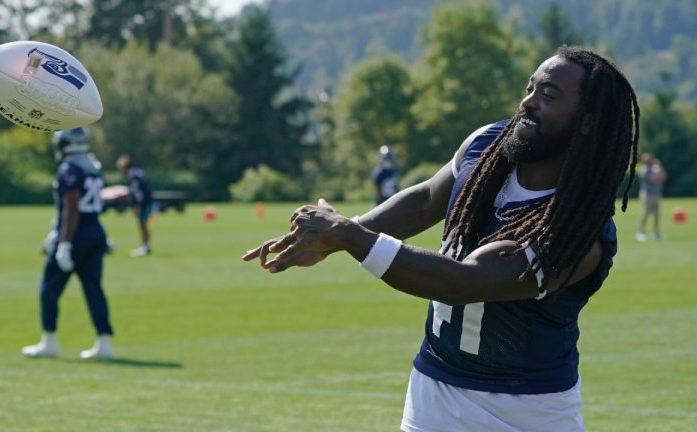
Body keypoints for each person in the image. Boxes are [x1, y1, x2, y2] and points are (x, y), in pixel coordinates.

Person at [243, 46, 640, 431]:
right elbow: (425, 200)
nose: (529, 102)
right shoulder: (488, 145)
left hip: (525, 413)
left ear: (588, 121)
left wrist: (349, 235)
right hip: (432, 396)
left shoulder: (577, 233)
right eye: (530, 88)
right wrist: (340, 234)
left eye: (549, 95)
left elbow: (461, 283)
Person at [23, 127, 114, 360]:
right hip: (95, 232)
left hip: (76, 236)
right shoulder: (93, 167)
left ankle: (49, 341)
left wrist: (63, 243)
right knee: (94, 290)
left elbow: (71, 209)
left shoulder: (69, 169)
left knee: (49, 290)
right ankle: (104, 342)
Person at [116, 154, 154, 256]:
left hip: (143, 203)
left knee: (142, 224)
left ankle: (145, 247)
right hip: (147, 201)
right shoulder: (137, 172)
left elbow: (138, 192)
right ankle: (146, 246)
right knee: (143, 223)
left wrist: (138, 205)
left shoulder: (132, 176)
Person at [636, 153, 667, 241]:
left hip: (656, 194)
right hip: (647, 195)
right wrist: (659, 176)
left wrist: (660, 166)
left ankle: (656, 233)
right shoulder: (644, 170)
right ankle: (641, 233)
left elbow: (664, 176)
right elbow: (653, 179)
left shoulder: (656, 168)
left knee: (657, 214)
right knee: (645, 213)